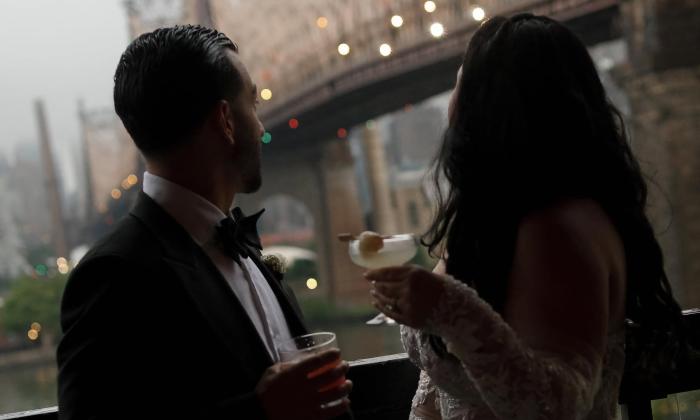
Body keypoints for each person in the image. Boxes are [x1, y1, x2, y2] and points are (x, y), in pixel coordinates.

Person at [366, 14, 689, 420]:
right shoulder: (499, 222)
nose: (453, 101)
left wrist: (448, 306)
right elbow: (454, 382)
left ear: (493, 106)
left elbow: (555, 406)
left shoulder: (558, 229)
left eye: (462, 82)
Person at [57, 25, 352, 420]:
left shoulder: (239, 240)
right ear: (226, 121)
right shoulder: (112, 275)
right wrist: (259, 412)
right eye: (254, 104)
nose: (262, 128)